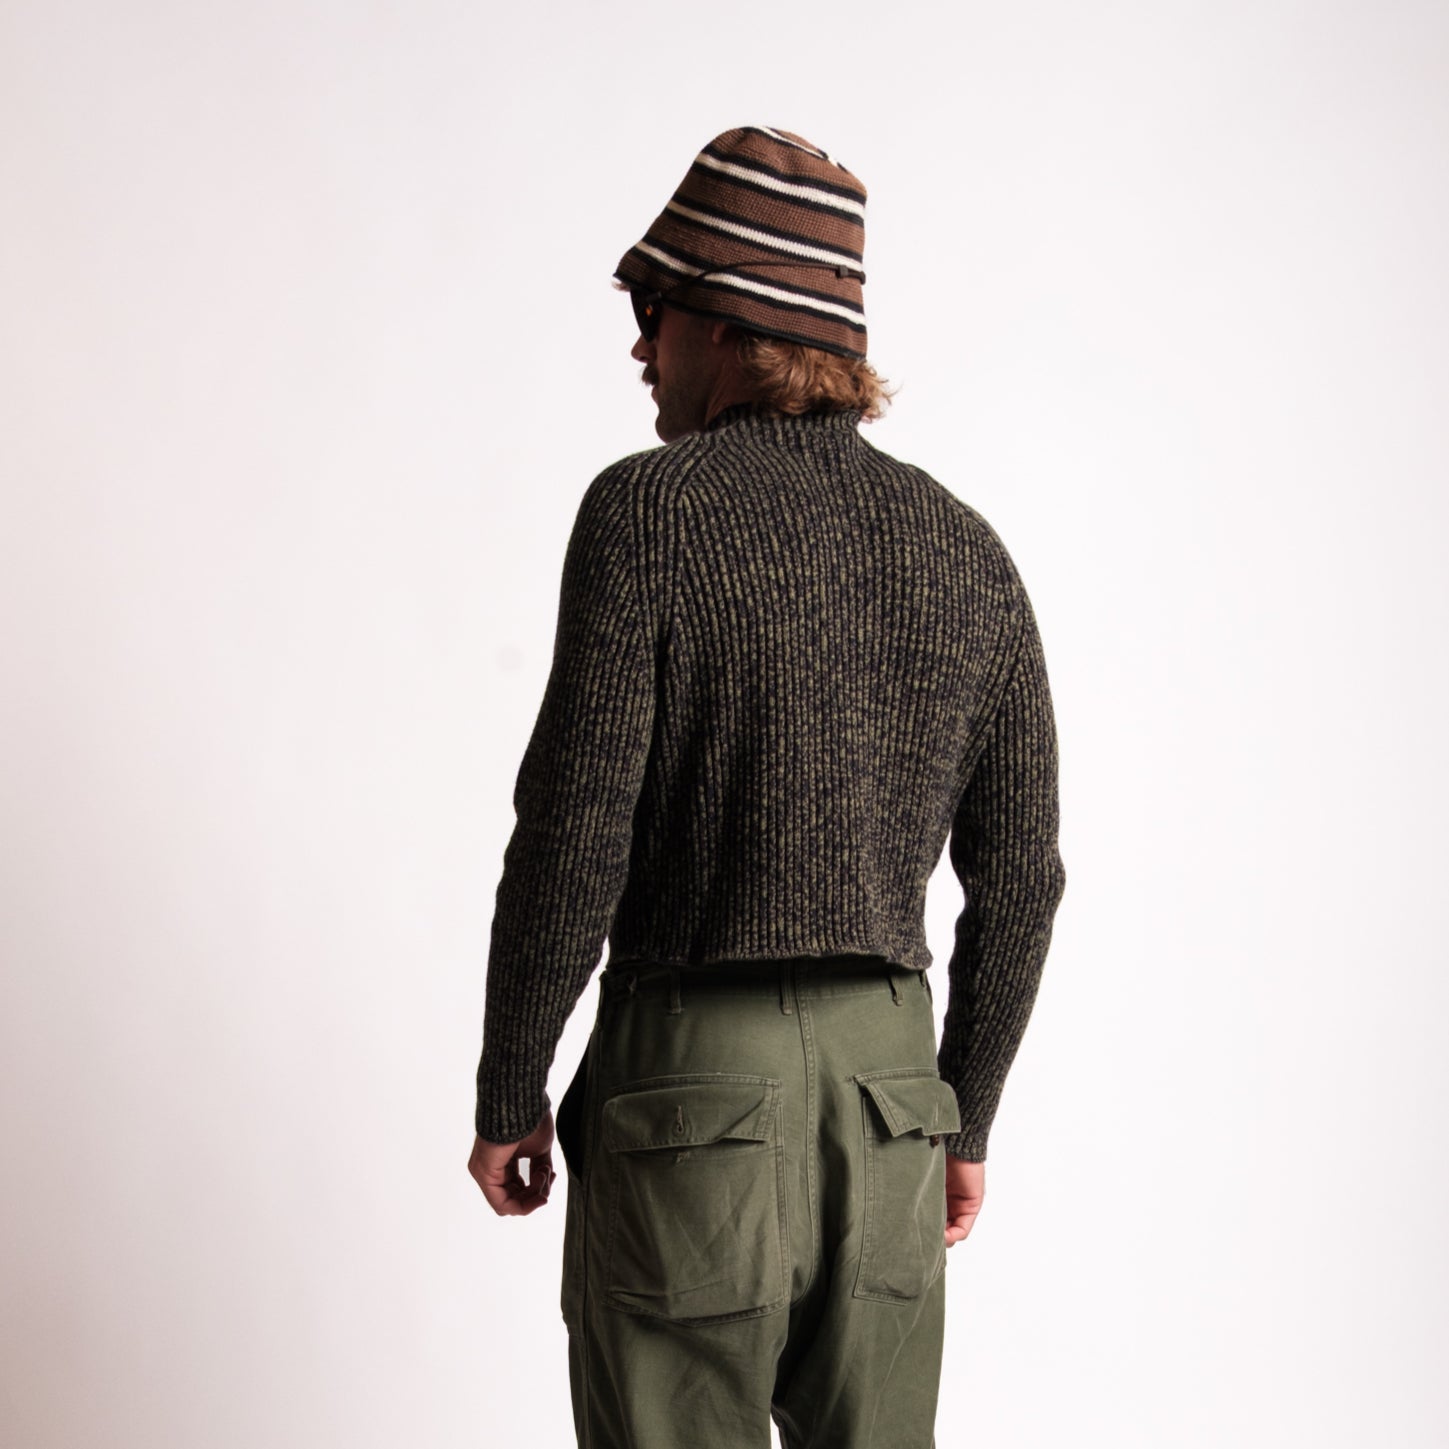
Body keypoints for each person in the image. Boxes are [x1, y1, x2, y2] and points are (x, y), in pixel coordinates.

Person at [468, 125, 1066, 1449]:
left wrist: (512, 1081)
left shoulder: (649, 512)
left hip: (689, 1091)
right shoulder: (967, 548)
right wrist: (960, 1111)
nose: (639, 346)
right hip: (891, 1103)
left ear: (734, 325)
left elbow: (573, 833)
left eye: (657, 308)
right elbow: (1023, 877)